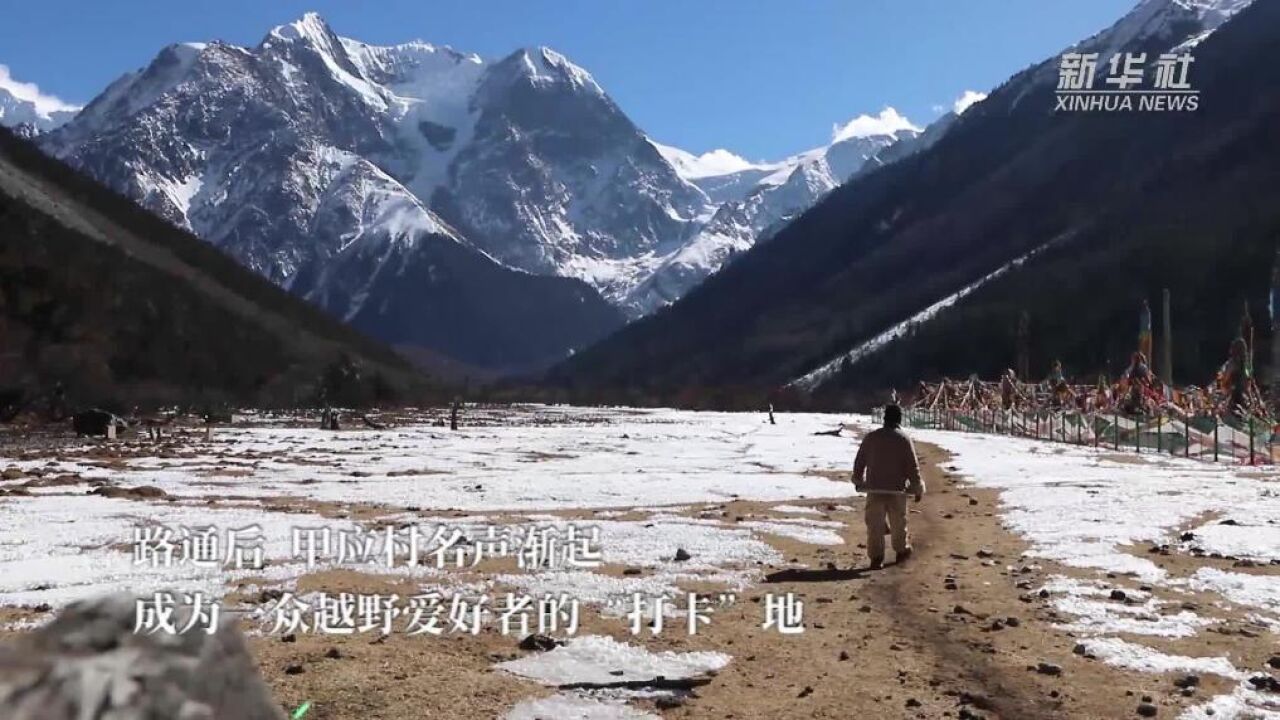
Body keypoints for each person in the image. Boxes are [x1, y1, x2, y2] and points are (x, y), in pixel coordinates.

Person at [852, 405, 924, 569]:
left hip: (874, 488)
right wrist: (917, 487)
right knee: (899, 522)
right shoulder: (904, 439)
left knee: (875, 525)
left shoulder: (871, 437)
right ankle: (901, 550)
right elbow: (913, 467)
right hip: (896, 490)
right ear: (899, 419)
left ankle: (876, 557)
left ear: (884, 418)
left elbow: (860, 461)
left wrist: (858, 479)